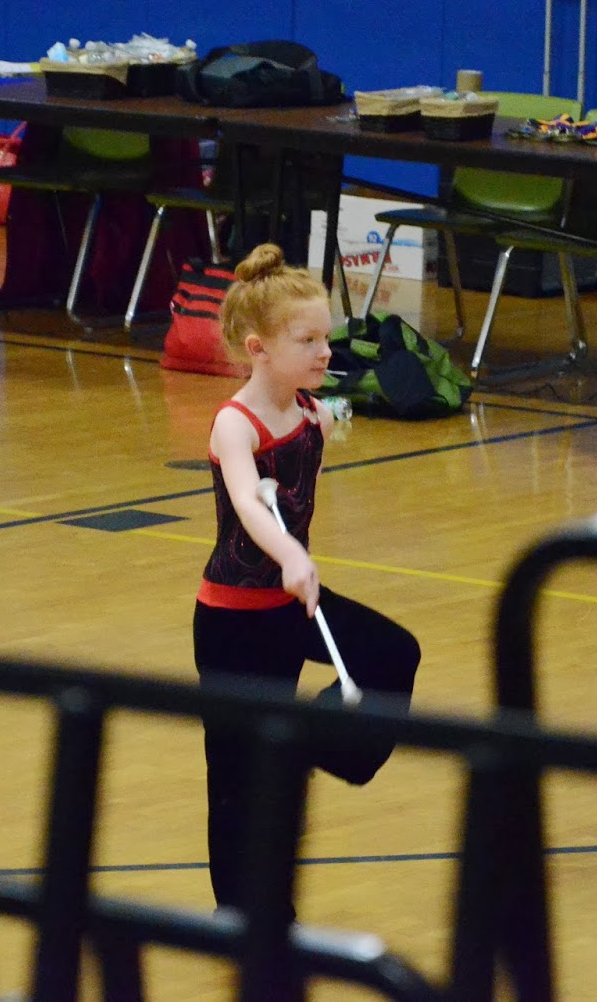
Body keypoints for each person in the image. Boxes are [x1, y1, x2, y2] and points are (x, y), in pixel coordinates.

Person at [193, 243, 420, 915]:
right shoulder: (234, 423)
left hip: (289, 603)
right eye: (308, 340)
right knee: (235, 777)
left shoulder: (313, 416)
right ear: (259, 349)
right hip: (233, 617)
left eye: (326, 337)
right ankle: (240, 914)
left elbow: (297, 496)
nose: (325, 352)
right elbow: (246, 502)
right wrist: (290, 555)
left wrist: (297, 560)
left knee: (392, 652)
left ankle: (318, 741)